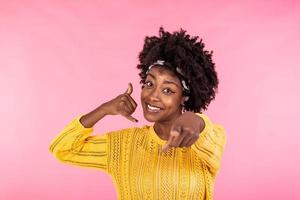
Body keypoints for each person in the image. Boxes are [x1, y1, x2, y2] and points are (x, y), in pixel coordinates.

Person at [49, 27, 227, 200]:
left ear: (184, 97)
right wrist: (103, 110)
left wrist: (196, 120)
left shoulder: (210, 139)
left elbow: (204, 131)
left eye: (168, 90)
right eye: (149, 84)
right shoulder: (124, 146)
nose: (153, 96)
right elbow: (62, 149)